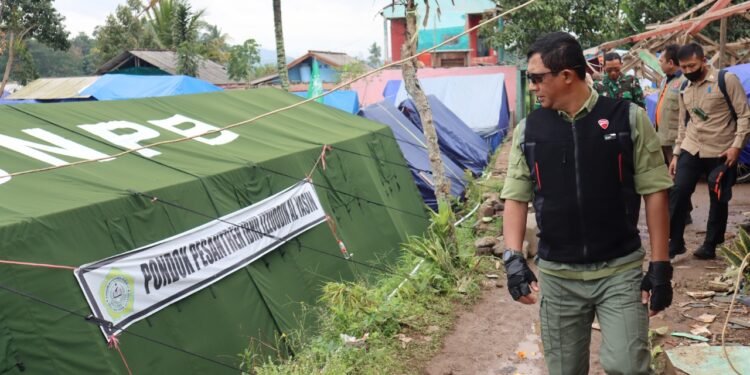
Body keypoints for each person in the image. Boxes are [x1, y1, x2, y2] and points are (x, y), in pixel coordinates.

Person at [501, 32, 673, 375]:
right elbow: (516, 197)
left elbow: (655, 193)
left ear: (566, 75)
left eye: (536, 78)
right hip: (558, 276)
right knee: (564, 370)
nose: (532, 86)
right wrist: (513, 259)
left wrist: (660, 267)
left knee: (628, 367)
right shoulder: (528, 130)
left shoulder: (629, 118)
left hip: (619, 271)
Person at [669, 43, 750, 259]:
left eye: (691, 66)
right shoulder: (684, 87)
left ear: (704, 61)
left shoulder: (726, 80)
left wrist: (736, 147)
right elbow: (683, 123)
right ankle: (675, 241)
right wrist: (677, 153)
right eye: (683, 67)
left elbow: (744, 115)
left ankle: (711, 244)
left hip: (721, 149)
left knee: (718, 196)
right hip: (692, 146)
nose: (687, 71)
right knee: (678, 191)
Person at [656, 44, 693, 228]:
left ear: (671, 62)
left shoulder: (684, 82)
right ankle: (683, 210)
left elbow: (686, 114)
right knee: (671, 177)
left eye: (661, 60)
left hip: (675, 139)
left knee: (678, 178)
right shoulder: (665, 80)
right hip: (663, 137)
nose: (659, 63)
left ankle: (683, 213)